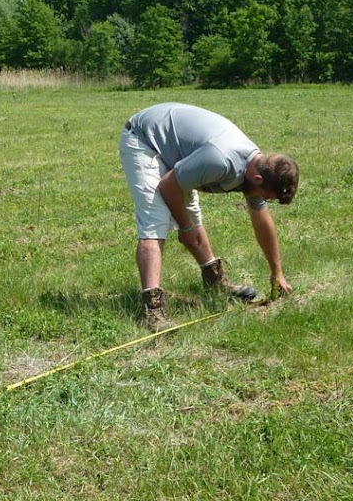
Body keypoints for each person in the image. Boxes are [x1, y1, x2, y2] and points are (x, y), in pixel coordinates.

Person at [119, 103, 299, 331]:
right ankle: (152, 309)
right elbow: (168, 185)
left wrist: (277, 272)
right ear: (258, 180)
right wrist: (185, 227)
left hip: (174, 146)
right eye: (266, 196)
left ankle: (214, 281)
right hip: (144, 139)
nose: (263, 201)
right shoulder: (220, 161)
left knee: (190, 213)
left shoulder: (258, 166)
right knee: (155, 220)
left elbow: (262, 219)